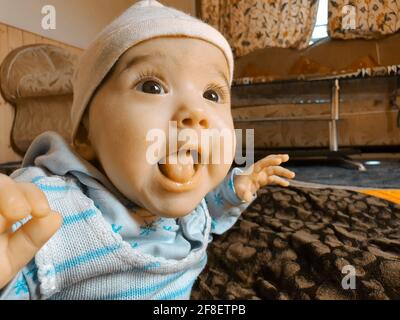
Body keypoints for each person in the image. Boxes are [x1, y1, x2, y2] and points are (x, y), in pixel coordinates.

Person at [0, 0, 294, 300]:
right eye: (152, 87)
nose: (195, 112)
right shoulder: (52, 215)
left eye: (212, 94)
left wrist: (234, 189)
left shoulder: (185, 208)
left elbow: (205, 211)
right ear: (87, 134)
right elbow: (14, 260)